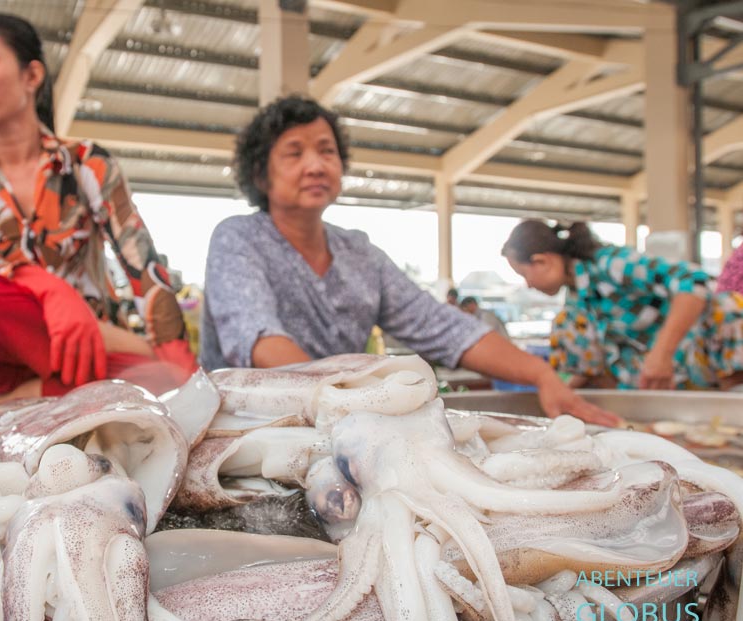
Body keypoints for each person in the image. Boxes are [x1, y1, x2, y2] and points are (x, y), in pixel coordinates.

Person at [201, 95, 619, 426]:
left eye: (327, 151)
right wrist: (357, 397)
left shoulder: (360, 254)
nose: (315, 164)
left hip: (341, 426)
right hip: (249, 434)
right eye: (294, 153)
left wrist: (542, 375)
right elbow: (258, 341)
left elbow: (444, 326)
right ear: (261, 174)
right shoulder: (238, 238)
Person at [0, 13, 194, 417]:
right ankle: (75, 389)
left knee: (163, 379)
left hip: (79, 353)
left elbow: (142, 265)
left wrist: (182, 368)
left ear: (31, 75)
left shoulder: (87, 163)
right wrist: (52, 291)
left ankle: (0, 405)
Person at [502, 218, 743, 391]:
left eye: (524, 274)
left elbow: (693, 281)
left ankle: (731, 398)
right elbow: (585, 361)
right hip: (647, 386)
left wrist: (662, 354)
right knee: (565, 325)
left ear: (542, 261)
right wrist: (557, 389)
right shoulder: (577, 302)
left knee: (727, 307)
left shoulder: (610, 262)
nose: (529, 285)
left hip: (691, 363)